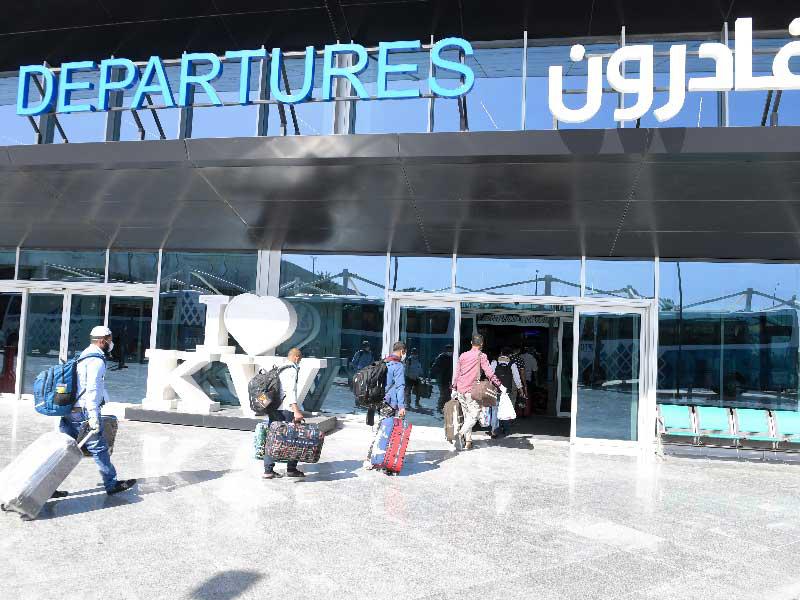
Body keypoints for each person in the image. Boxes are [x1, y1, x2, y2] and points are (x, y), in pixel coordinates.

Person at [58, 326, 136, 496]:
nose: (111, 343)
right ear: (102, 340)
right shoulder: (96, 360)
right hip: (84, 412)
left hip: (70, 409)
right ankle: (111, 484)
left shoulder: (84, 355)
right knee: (99, 448)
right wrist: (93, 416)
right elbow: (92, 389)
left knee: (65, 450)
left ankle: (48, 486)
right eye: (110, 340)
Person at [450, 335, 505, 451]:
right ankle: (460, 434)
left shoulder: (463, 355)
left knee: (467, 416)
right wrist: (499, 385)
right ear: (482, 344)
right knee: (473, 415)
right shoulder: (482, 356)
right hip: (472, 391)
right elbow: (489, 373)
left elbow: (457, 373)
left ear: (471, 343)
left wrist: (454, 388)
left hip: (460, 389)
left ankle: (468, 441)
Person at [264, 347, 307, 480]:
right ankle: (291, 469)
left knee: (272, 437)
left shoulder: (279, 368)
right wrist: (296, 411)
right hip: (286, 409)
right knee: (294, 438)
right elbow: (290, 391)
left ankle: (268, 470)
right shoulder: (291, 370)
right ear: (296, 358)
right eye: (300, 360)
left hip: (273, 407)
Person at [366, 342, 407, 473]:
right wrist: (401, 406)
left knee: (380, 428)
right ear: (402, 351)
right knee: (385, 431)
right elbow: (400, 387)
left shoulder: (384, 362)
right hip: (389, 402)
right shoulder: (398, 366)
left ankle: (371, 458)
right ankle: (377, 460)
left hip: (379, 400)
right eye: (404, 353)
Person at [490, 348, 524, 437]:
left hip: (495, 390)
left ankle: (494, 430)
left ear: (501, 353)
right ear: (509, 355)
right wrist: (520, 389)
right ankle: (505, 429)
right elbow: (517, 378)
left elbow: (490, 375)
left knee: (495, 410)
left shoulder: (494, 362)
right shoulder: (512, 364)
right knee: (505, 409)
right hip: (506, 391)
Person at [430, 344, 453, 413]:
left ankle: (445, 408)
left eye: (451, 350)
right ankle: (439, 407)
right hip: (441, 378)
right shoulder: (441, 357)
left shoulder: (452, 357)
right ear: (446, 350)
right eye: (449, 350)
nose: (450, 352)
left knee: (448, 394)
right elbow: (434, 367)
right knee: (443, 394)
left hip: (448, 378)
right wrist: (438, 373)